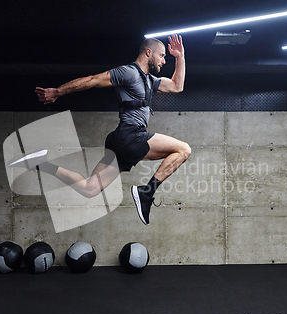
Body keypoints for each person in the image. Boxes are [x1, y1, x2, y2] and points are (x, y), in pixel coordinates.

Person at [33, 34, 190, 225]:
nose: (164, 61)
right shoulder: (129, 72)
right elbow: (92, 80)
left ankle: (42, 163)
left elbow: (177, 86)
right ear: (148, 52)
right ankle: (146, 193)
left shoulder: (149, 80)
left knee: (90, 189)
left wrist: (179, 57)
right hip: (130, 136)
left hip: (120, 142)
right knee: (184, 150)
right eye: (162, 56)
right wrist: (58, 92)